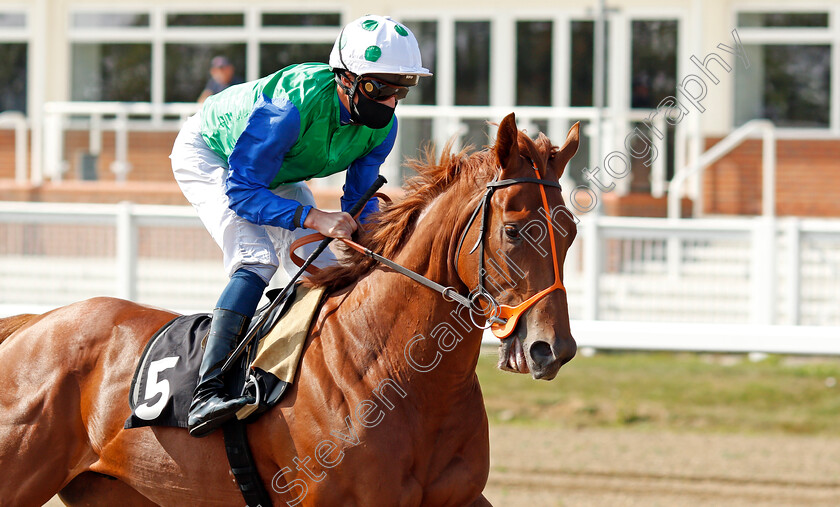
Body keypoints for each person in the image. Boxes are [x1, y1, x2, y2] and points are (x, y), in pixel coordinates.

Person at [170, 14, 431, 437]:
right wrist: (315, 216)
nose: (389, 101)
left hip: (274, 175)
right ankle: (208, 389)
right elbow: (241, 192)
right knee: (257, 259)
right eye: (379, 87)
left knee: (321, 265)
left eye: (401, 89)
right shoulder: (290, 105)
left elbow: (358, 205)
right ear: (345, 78)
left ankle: (290, 370)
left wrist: (384, 243)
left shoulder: (382, 129)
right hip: (213, 157)